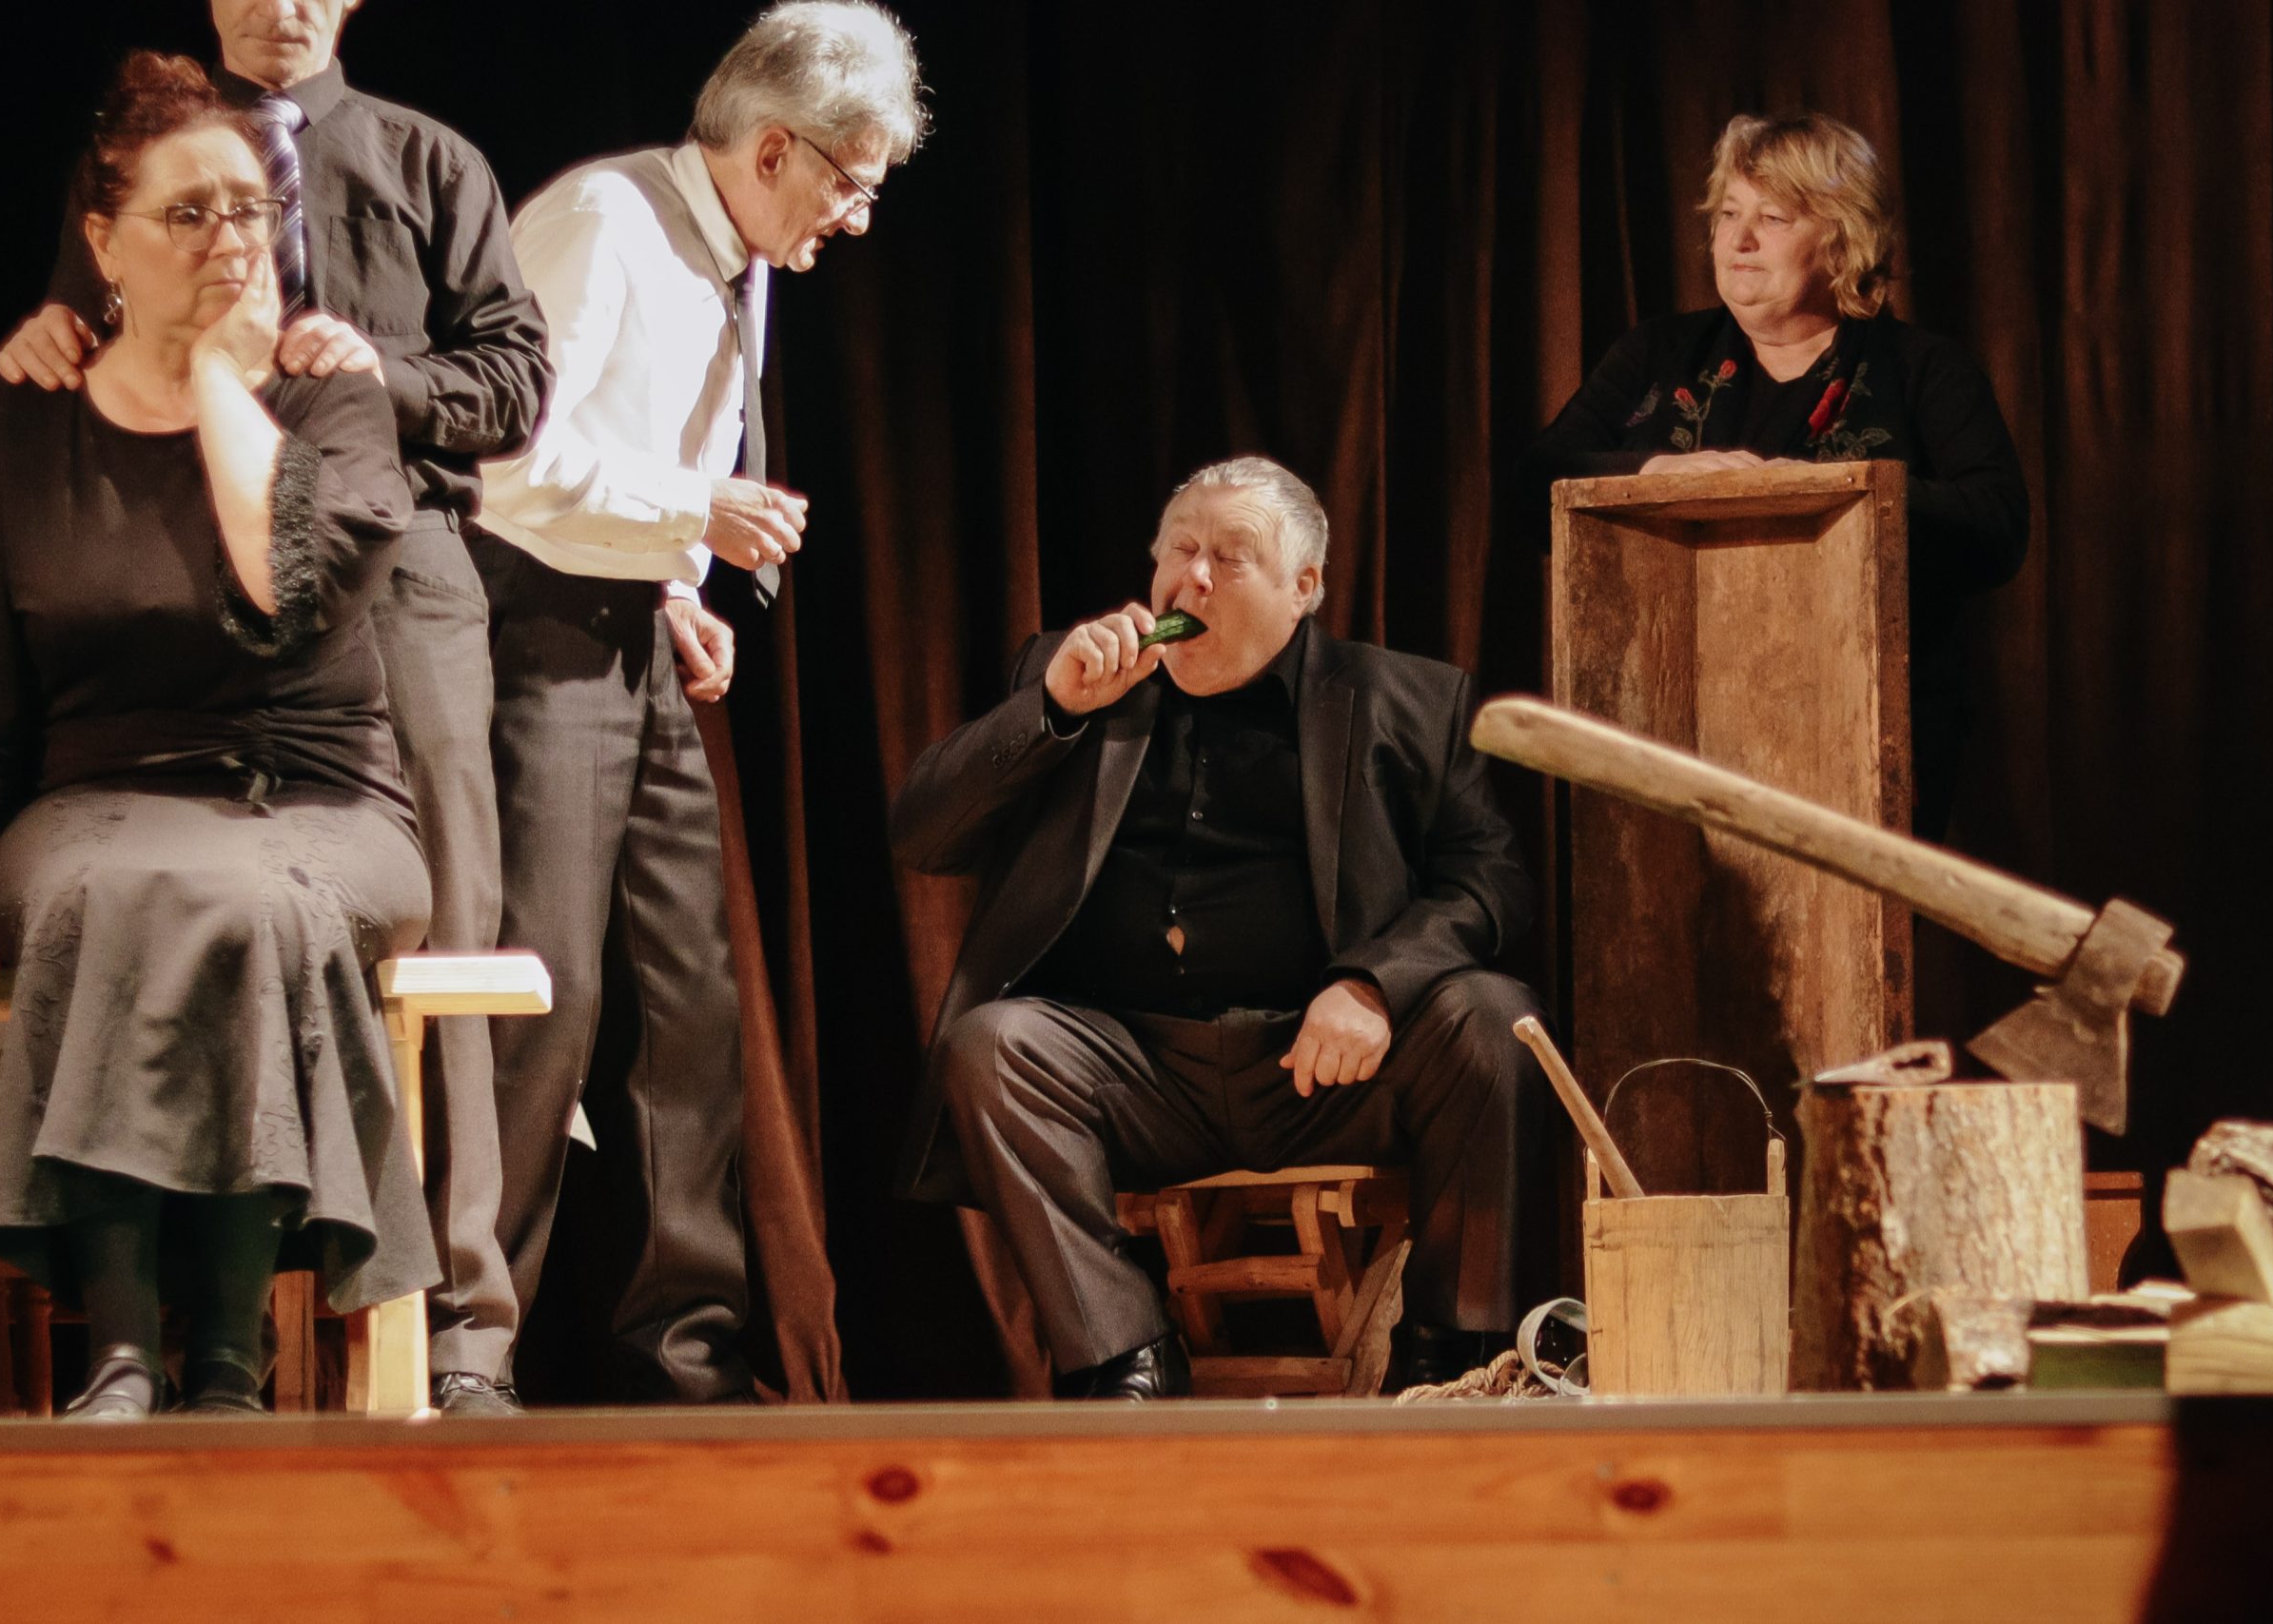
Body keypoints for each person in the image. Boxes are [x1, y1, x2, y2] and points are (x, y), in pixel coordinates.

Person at [0, 0, 551, 1415]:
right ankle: (196, 1319)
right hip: (192, 563)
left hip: (395, 565)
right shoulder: (143, 159)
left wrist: (374, 371)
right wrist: (54, 335)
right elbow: (99, 322)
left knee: (442, 927)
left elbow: (515, 380)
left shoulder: (431, 161)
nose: (283, 5)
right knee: (198, 882)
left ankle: (461, 1322)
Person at [0, 50, 434, 1419]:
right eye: (186, 213)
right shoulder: (20, 425)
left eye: (250, 210)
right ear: (103, 242)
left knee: (253, 903)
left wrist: (213, 379)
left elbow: (287, 592)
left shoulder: (331, 398)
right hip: (98, 797)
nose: (228, 239)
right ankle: (126, 1349)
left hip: (317, 798)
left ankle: (227, 1357)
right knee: (114, 889)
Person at [475, 0, 926, 1402]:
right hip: (536, 635)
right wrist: (692, 513)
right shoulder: (603, 223)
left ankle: (686, 1366)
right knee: (539, 1001)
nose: (856, 217)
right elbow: (504, 462)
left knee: (689, 1008)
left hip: (633, 632)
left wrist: (673, 584)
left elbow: (633, 450)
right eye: (849, 183)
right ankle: (467, 1348)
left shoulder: (744, 254)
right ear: (773, 148)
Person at [890, 457, 1549, 1399]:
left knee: (1493, 1017)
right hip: (1136, 1072)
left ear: (1303, 587)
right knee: (991, 1044)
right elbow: (922, 837)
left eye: (1230, 558)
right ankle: (1122, 1356)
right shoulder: (1073, 675)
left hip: (1324, 1073)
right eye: (1179, 551)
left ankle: (1454, 1357)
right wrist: (1053, 710)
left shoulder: (1408, 699)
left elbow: (1490, 882)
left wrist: (1372, 983)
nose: (1192, 580)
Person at [1527, 110, 2029, 839]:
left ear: (1843, 239)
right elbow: (1533, 486)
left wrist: (1831, 495)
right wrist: (1661, 471)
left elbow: (1997, 525)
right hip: (1662, 732)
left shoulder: (1924, 369)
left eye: (1772, 218)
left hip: (1857, 737)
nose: (1739, 240)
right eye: (1728, 214)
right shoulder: (1656, 354)